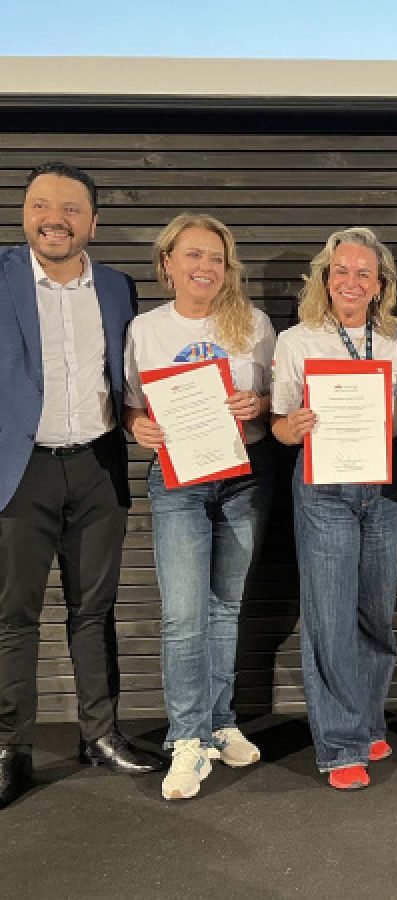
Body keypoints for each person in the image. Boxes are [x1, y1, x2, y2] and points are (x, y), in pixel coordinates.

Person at [0, 162, 161, 810]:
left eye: (70, 209)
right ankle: (10, 748)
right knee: (13, 616)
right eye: (41, 205)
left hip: (98, 466)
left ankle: (101, 735)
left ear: (93, 221)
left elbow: (126, 377)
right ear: (24, 213)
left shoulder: (119, 287)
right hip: (21, 470)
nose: (54, 219)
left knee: (94, 611)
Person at [123, 213, 275, 800]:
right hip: (178, 479)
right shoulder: (146, 329)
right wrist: (138, 427)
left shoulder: (254, 324)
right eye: (193, 255)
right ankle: (187, 738)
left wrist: (256, 404)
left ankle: (220, 721)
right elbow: (133, 406)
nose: (205, 267)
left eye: (216, 257)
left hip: (243, 476)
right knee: (184, 615)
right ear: (168, 263)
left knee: (225, 608)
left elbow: (276, 398)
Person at [272, 227, 397, 790]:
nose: (352, 281)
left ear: (380, 285)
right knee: (330, 619)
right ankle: (339, 744)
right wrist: (294, 426)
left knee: (375, 615)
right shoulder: (297, 341)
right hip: (323, 487)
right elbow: (278, 426)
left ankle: (368, 720)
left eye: (364, 273)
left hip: (382, 487)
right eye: (342, 271)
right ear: (326, 280)